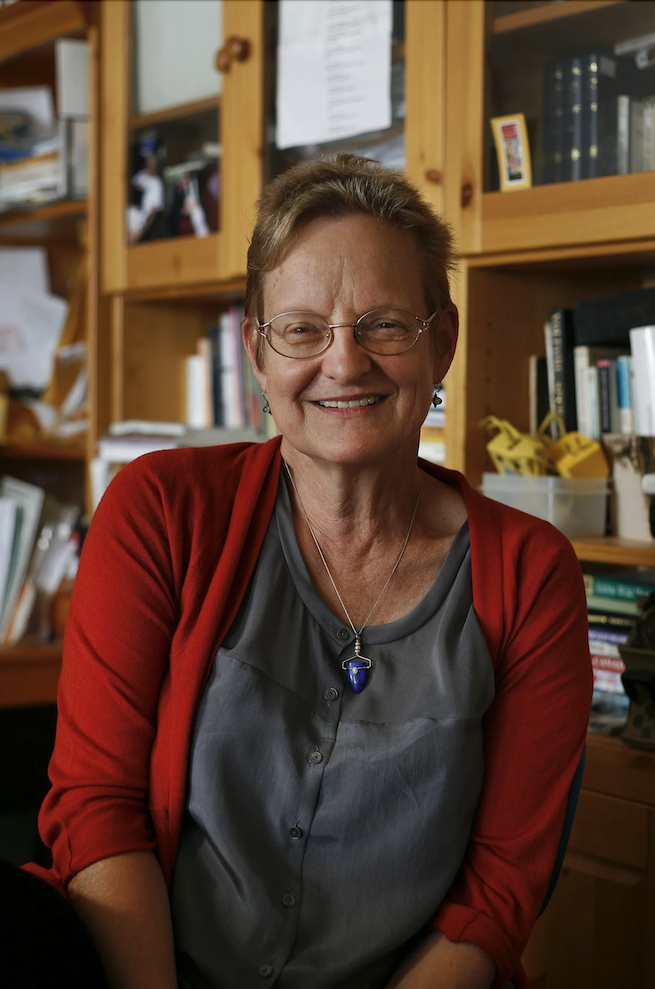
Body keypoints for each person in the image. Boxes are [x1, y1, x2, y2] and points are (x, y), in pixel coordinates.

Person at [24, 154, 591, 989]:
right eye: (300, 329)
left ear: (442, 342)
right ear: (257, 352)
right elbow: (97, 806)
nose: (344, 361)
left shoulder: (531, 573)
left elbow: (496, 891)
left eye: (385, 323)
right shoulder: (160, 510)